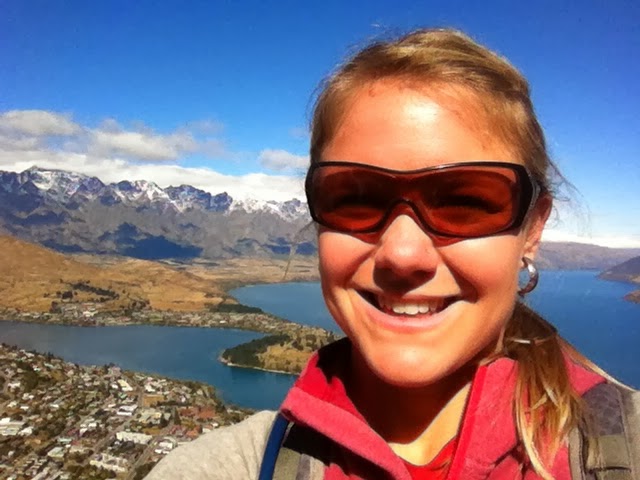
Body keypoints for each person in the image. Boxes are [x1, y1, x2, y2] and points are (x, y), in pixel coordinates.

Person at [146, 28, 631, 480]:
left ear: (532, 229)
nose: (401, 253)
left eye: (464, 202)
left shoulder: (624, 449)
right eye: (356, 198)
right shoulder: (235, 466)